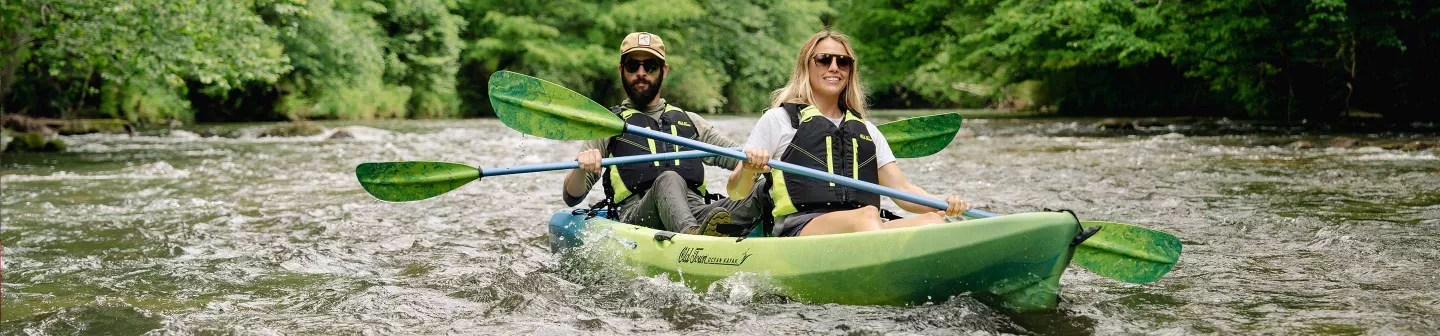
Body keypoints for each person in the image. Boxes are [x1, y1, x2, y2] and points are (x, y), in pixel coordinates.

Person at [727, 29, 973, 237]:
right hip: (801, 229)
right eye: (824, 59)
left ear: (850, 70)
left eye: (842, 61)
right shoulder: (779, 121)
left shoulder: (868, 131)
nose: (834, 67)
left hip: (864, 228)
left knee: (932, 224)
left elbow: (903, 190)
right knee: (865, 217)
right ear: (806, 65)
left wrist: (941, 205)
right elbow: (736, 191)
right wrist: (749, 168)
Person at [562, 32, 757, 236]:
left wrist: (752, 163)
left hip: (696, 212)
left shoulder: (691, 121)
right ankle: (693, 239)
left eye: (650, 66)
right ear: (621, 70)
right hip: (639, 217)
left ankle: (781, 235)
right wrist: (581, 168)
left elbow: (738, 160)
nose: (641, 73)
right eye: (632, 66)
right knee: (669, 178)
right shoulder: (607, 125)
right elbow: (572, 197)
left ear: (664, 71)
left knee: (762, 188)